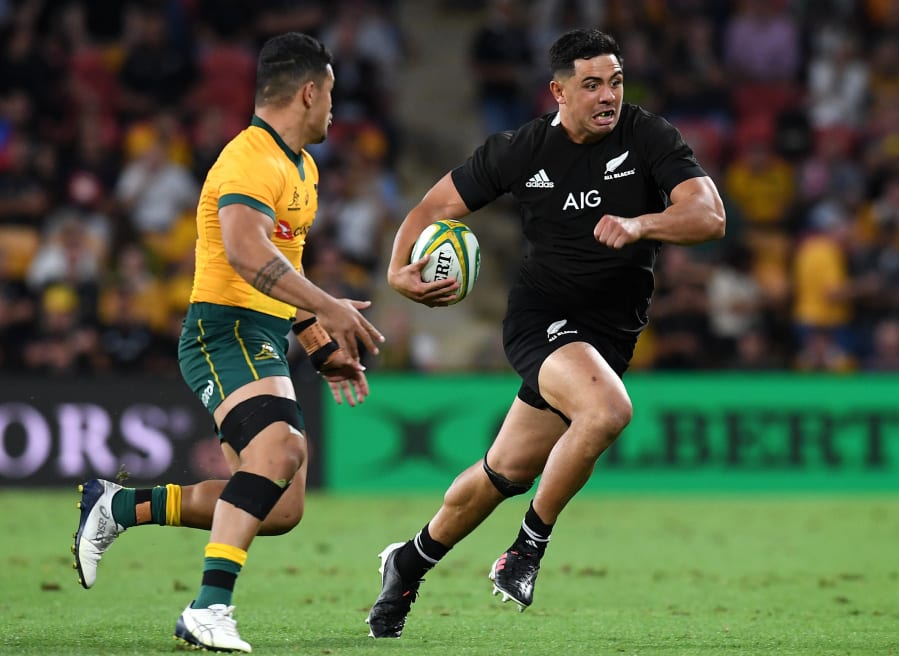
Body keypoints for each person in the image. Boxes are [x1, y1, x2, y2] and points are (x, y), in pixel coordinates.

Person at [366, 28, 726, 639]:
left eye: (614, 81)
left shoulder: (648, 136)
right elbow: (433, 208)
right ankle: (526, 552)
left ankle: (408, 561)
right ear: (558, 91)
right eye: (591, 85)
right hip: (543, 319)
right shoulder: (520, 149)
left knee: (503, 472)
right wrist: (400, 271)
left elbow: (709, 215)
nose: (607, 95)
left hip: (610, 334)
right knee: (608, 412)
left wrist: (641, 225)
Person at [72, 32, 384, 653]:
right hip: (222, 329)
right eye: (330, 95)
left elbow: (283, 274)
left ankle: (118, 508)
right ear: (309, 91)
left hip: (262, 332)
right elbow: (246, 253)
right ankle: (208, 608)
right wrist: (329, 305)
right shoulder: (248, 159)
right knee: (283, 447)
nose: (333, 109)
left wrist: (322, 347)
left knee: (280, 508)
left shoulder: (304, 168)